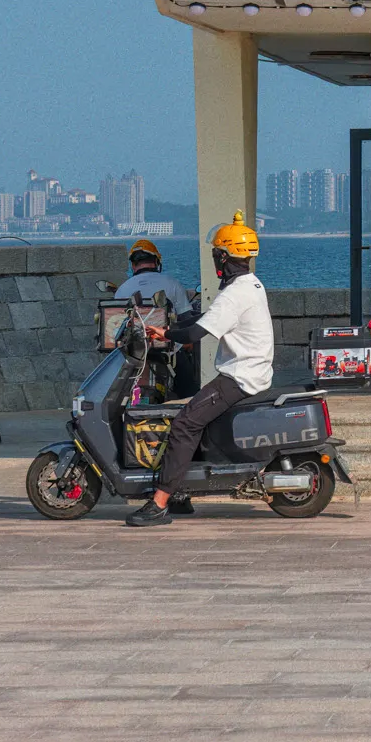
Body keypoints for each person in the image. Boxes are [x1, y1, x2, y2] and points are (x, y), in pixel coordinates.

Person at [127, 213, 278, 527]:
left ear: (223, 256)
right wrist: (168, 324)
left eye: (215, 255)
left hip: (240, 377)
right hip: (250, 372)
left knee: (183, 424)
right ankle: (181, 493)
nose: (214, 260)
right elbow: (204, 320)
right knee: (197, 423)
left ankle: (159, 503)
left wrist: (166, 334)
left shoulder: (236, 293)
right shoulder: (249, 285)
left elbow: (196, 334)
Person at [111, 238, 194, 398]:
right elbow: (186, 318)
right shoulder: (172, 284)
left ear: (133, 265)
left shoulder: (123, 289)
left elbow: (116, 324)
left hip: (134, 351)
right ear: (156, 262)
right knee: (189, 391)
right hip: (169, 351)